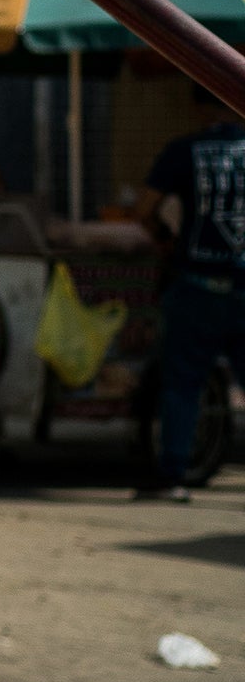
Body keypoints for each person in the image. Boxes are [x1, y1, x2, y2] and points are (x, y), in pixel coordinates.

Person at [131, 95, 245, 501]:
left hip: (198, 285)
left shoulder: (184, 151)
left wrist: (165, 241)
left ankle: (173, 476)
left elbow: (145, 208)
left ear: (198, 107)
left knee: (182, 384)